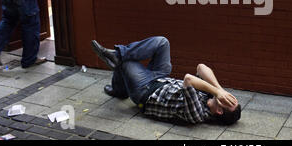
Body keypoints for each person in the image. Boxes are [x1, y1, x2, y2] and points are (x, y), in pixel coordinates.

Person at [91, 36, 241, 125]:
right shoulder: (211, 95)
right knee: (162, 42)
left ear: (220, 111)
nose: (227, 96)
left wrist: (216, 92)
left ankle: (119, 86)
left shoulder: (197, 114)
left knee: (124, 62)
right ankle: (119, 62)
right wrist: (220, 90)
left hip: (145, 90)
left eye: (228, 101)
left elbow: (189, 79)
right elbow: (201, 67)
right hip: (160, 77)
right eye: (231, 98)